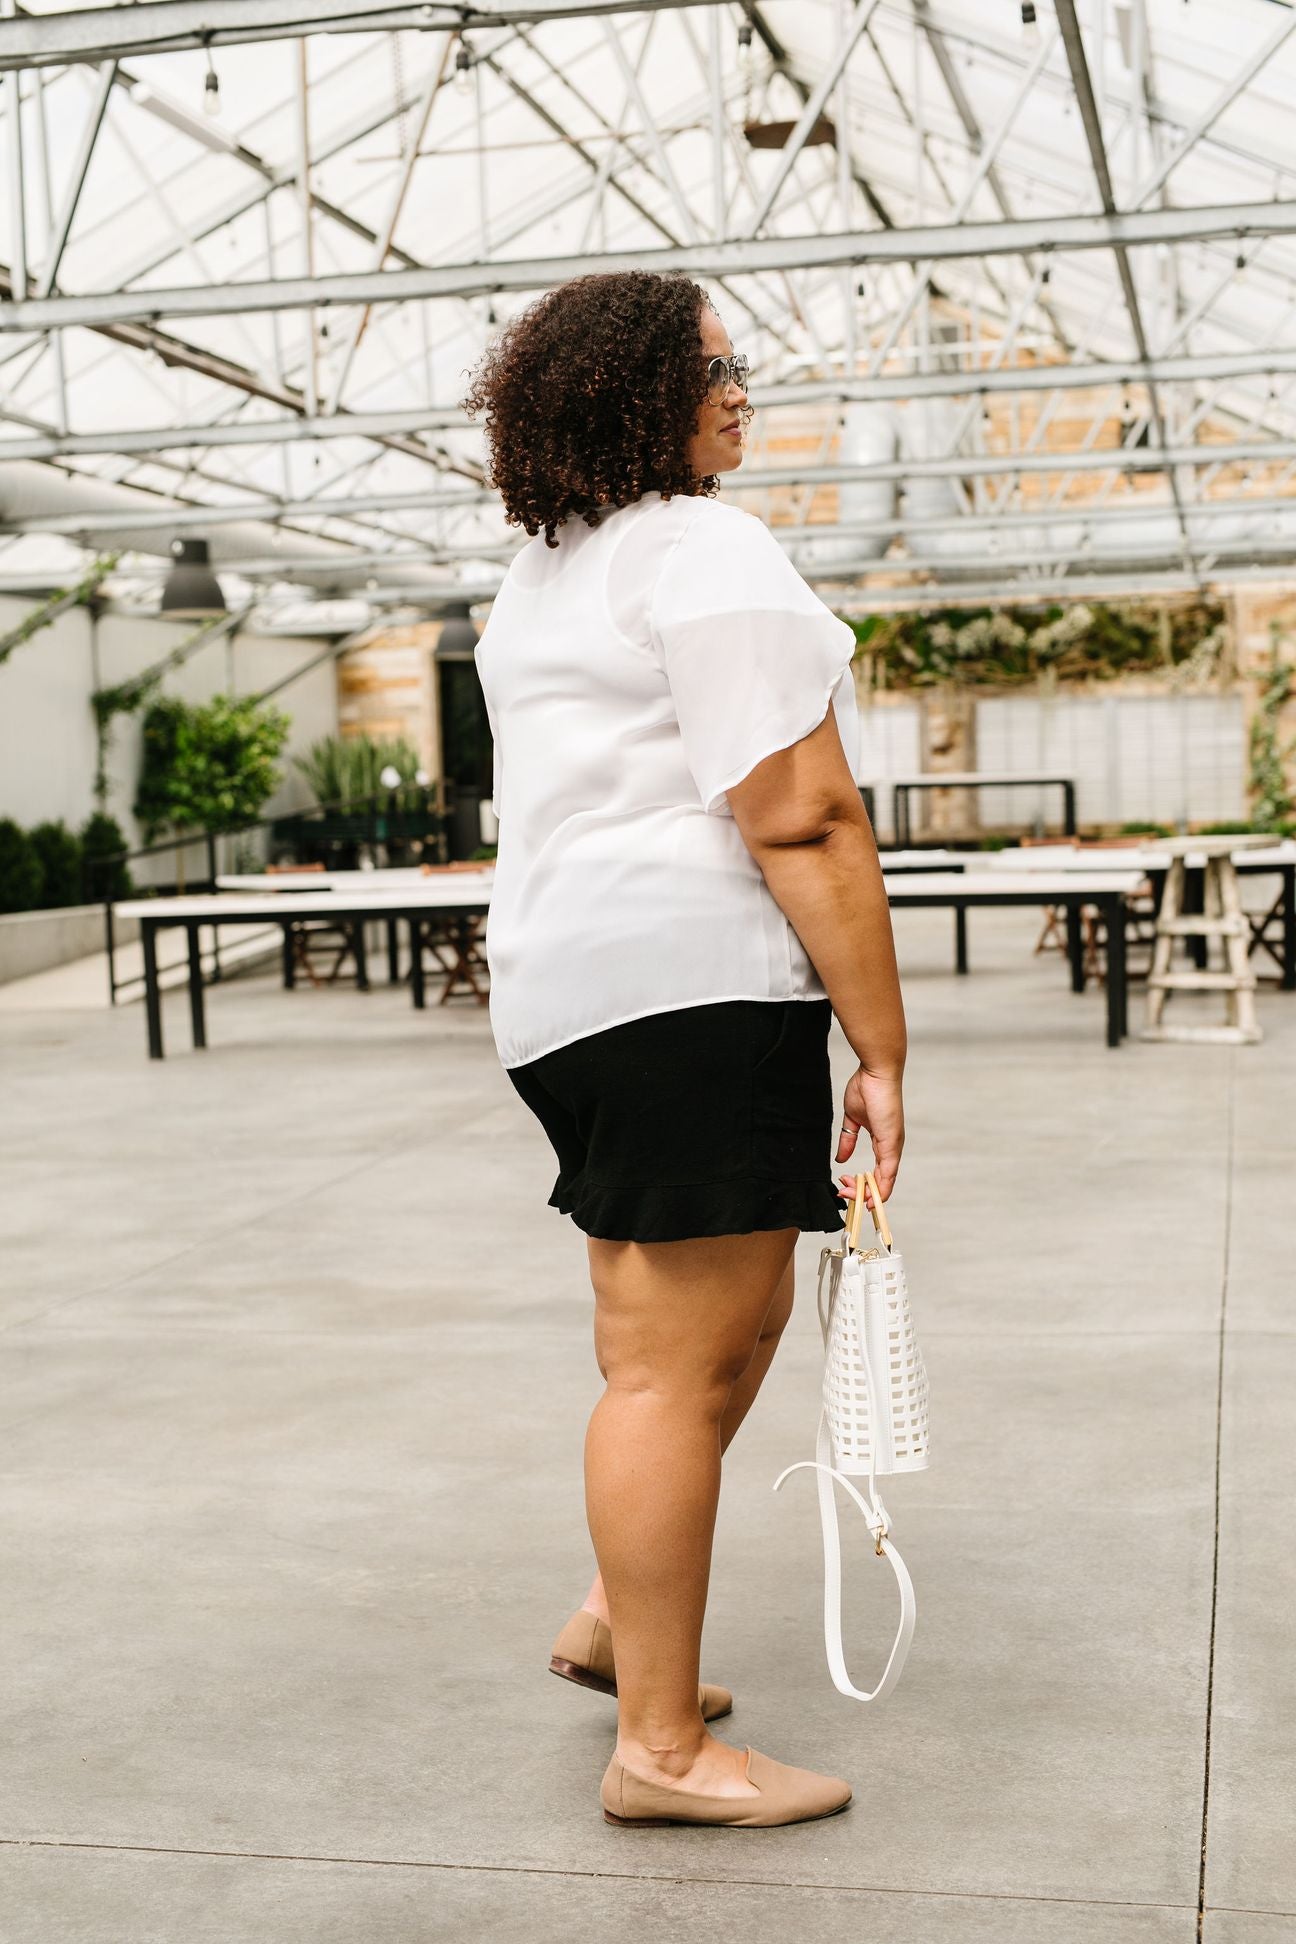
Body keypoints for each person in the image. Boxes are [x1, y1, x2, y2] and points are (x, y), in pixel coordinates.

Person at [462, 271, 907, 1830]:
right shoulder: (707, 549)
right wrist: (885, 1045)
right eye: (712, 363)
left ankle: (612, 1615)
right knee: (671, 1363)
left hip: (572, 994)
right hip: (690, 987)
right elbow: (805, 810)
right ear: (631, 387)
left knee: (708, 1331)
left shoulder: (545, 568)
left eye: (742, 362)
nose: (741, 387)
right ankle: (660, 1751)